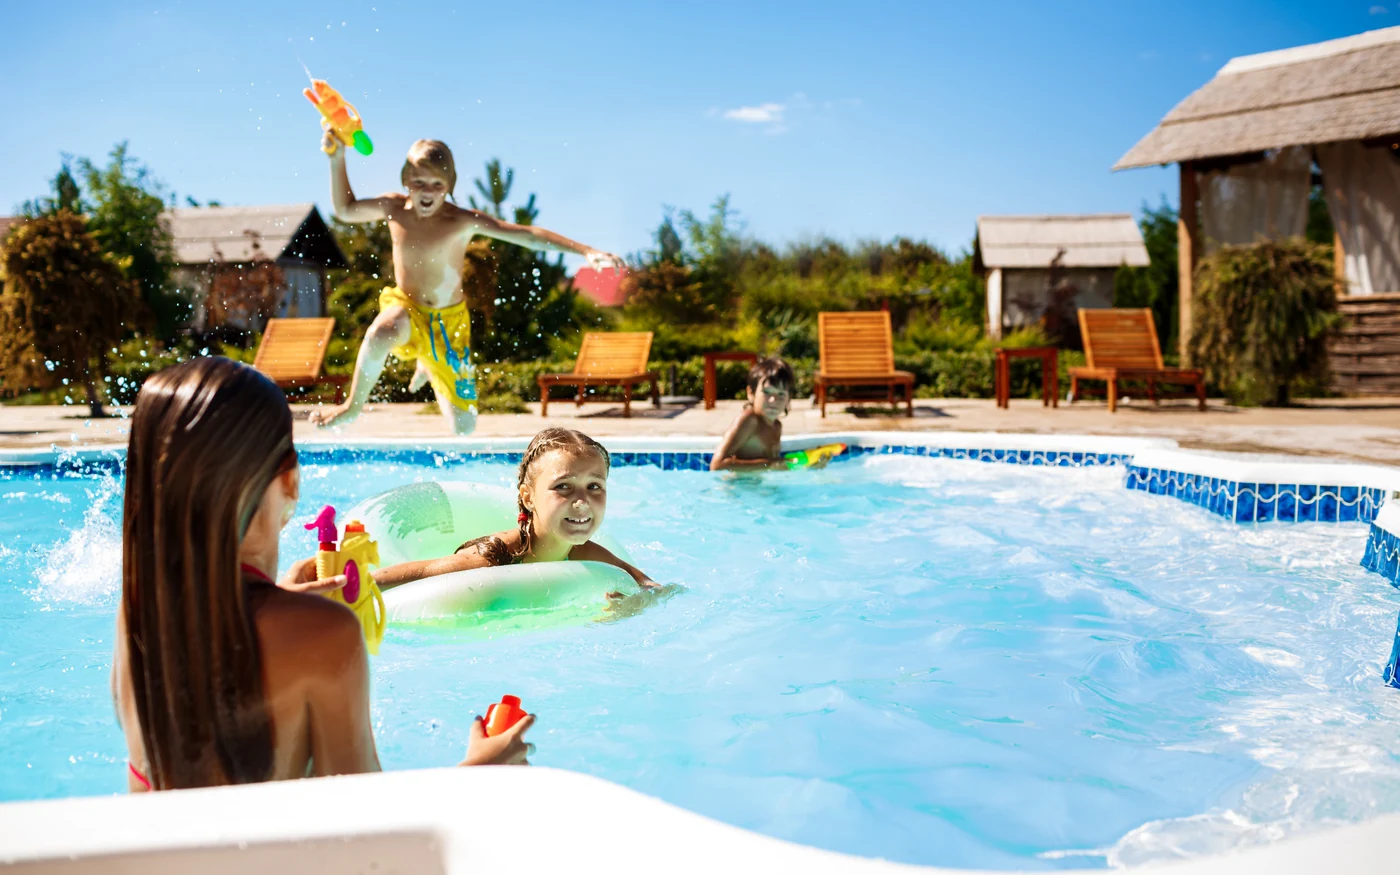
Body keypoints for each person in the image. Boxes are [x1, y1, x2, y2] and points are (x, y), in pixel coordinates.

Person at [112, 357, 532, 792]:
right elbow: (362, 831)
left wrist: (278, 596)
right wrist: (479, 774)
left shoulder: (138, 613)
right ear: (290, 480)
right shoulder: (324, 634)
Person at [309, 137, 624, 435]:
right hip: (407, 307)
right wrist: (336, 160)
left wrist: (586, 251)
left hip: (448, 326)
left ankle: (430, 364)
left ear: (450, 185)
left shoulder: (461, 220)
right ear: (406, 179)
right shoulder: (393, 209)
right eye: (419, 182)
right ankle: (352, 407)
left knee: (464, 427)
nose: (427, 191)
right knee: (382, 331)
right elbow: (346, 210)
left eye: (437, 184)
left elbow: (527, 234)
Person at [373, 428, 659, 590]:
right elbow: (423, 572)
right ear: (528, 497)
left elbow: (650, 587)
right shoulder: (496, 557)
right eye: (563, 486)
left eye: (594, 487)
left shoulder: (583, 552)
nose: (582, 501)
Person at [709, 357, 807, 472]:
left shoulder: (777, 426)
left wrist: (810, 464)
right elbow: (716, 465)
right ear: (751, 393)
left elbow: (776, 466)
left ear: (788, 398)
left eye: (781, 394)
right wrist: (769, 464)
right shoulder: (749, 420)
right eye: (766, 392)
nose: (773, 400)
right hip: (740, 487)